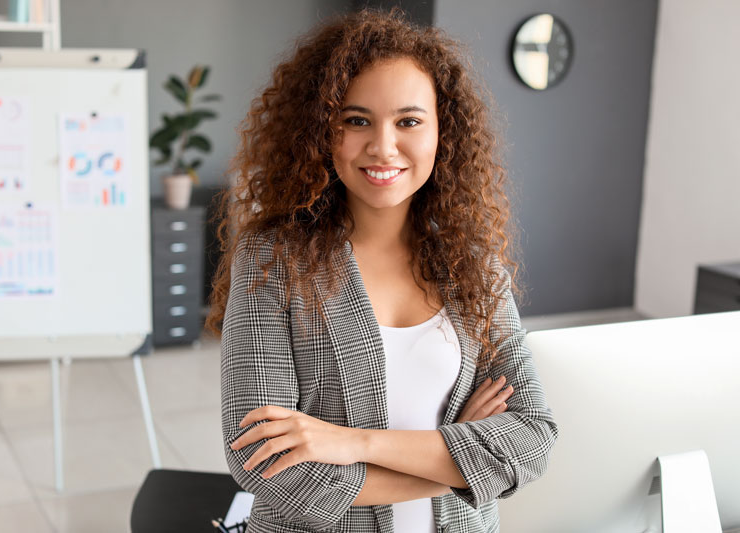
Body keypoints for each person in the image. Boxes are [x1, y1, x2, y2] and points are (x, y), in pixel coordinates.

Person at [207, 8, 558, 533]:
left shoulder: (474, 266)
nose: (383, 146)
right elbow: (264, 463)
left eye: (409, 121)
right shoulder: (273, 261)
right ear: (322, 131)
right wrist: (456, 466)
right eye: (356, 120)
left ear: (444, 132)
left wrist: (354, 443)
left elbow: (530, 438)